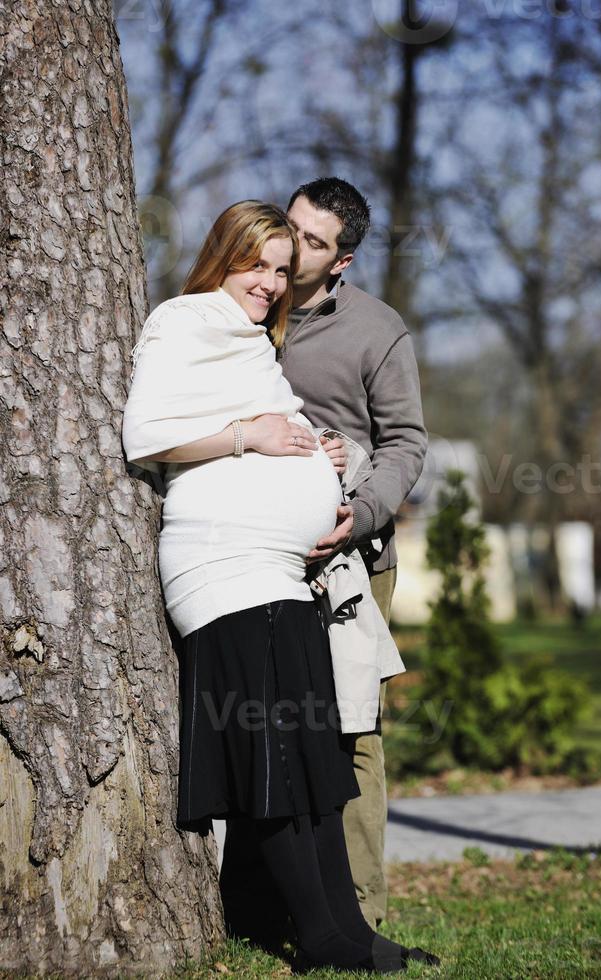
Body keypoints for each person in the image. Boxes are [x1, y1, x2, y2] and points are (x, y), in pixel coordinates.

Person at [121, 201, 439, 974]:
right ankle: (319, 936)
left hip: (286, 571)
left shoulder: (258, 336)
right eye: (255, 264)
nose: (270, 280)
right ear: (221, 258)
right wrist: (251, 437)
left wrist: (319, 454)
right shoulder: (184, 317)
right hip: (225, 570)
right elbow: (145, 434)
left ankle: (351, 931)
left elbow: (301, 425)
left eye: (278, 267)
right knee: (276, 758)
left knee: (316, 759)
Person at [220, 178, 429, 939]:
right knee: (254, 722)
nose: (294, 246)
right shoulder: (237, 304)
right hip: (247, 554)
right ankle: (246, 911)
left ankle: (361, 919)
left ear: (341, 262)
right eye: (293, 226)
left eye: (313, 242)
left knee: (349, 733)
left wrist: (360, 509)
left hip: (346, 560)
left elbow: (407, 441)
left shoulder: (377, 330)